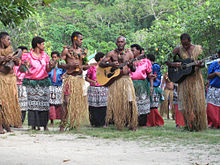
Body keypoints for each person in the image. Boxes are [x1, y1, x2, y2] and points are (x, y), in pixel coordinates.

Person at [167, 33, 207, 131]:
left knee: (197, 103)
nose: (184, 45)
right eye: (182, 43)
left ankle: (198, 125)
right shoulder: (178, 50)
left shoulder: (198, 49)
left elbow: (203, 64)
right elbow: (167, 61)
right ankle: (188, 125)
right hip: (184, 80)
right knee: (184, 104)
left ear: (189, 41)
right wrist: (173, 64)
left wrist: (199, 65)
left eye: (186, 43)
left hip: (196, 79)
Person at [99, 36, 138, 131]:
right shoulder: (111, 53)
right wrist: (110, 64)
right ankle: (119, 123)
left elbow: (133, 69)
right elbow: (101, 64)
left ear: (125, 43)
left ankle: (132, 123)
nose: (120, 43)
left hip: (126, 80)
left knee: (130, 101)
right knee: (118, 103)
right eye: (118, 42)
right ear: (116, 43)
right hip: (116, 81)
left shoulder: (130, 54)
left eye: (122, 42)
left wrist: (131, 65)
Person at [20, 36, 53, 131]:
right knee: (33, 104)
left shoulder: (45, 56)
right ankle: (34, 125)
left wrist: (51, 66)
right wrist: (25, 65)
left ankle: (44, 125)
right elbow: (22, 69)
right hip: (32, 82)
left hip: (43, 82)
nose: (44, 46)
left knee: (44, 103)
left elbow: (48, 69)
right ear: (38, 45)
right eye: (43, 44)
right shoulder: (27, 56)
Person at [59, 31, 89, 132]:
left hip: (79, 79)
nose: (82, 41)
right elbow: (59, 63)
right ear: (75, 39)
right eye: (80, 39)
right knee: (66, 102)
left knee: (77, 102)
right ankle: (62, 124)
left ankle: (74, 124)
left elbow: (86, 66)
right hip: (70, 79)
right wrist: (69, 66)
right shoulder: (66, 50)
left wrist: (81, 66)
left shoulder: (83, 51)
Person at [0, 32, 22, 134]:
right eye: (8, 39)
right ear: (2, 40)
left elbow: (17, 63)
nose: (9, 41)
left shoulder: (10, 49)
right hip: (1, 78)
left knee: (9, 102)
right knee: (1, 102)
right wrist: (4, 58)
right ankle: (0, 126)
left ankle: (7, 124)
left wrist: (16, 59)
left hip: (10, 78)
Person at [130, 44, 153, 127]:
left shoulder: (146, 61)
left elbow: (150, 74)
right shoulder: (129, 61)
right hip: (131, 83)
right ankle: (132, 121)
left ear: (139, 51)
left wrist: (151, 86)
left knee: (143, 102)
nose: (131, 52)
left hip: (142, 84)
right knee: (132, 102)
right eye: (131, 50)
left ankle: (142, 123)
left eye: (133, 50)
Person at [86, 52, 108, 127]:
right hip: (93, 89)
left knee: (103, 106)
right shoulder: (92, 67)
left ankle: (102, 123)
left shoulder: (105, 67)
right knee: (93, 106)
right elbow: (87, 78)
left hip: (103, 88)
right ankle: (94, 122)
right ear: (100, 58)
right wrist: (93, 81)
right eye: (104, 58)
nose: (105, 60)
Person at [48, 51, 65, 126]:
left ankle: (61, 120)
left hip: (59, 86)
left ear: (58, 58)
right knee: (51, 104)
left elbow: (65, 73)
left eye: (55, 57)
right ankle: (51, 121)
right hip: (51, 86)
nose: (54, 59)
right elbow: (47, 74)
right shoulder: (50, 67)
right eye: (53, 57)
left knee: (60, 103)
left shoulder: (61, 67)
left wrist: (63, 76)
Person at [147, 53, 164, 127]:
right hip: (151, 87)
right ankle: (152, 122)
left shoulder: (155, 66)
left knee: (153, 105)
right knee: (151, 105)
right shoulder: (151, 65)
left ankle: (155, 121)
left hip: (154, 87)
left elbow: (155, 77)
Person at [13, 46, 28, 124]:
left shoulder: (27, 63)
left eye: (26, 53)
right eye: (23, 53)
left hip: (23, 86)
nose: (24, 55)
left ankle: (21, 121)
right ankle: (13, 121)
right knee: (14, 103)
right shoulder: (13, 63)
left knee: (23, 104)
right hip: (14, 86)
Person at [206, 50, 220, 128]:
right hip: (213, 89)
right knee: (211, 107)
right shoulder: (214, 64)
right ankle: (212, 123)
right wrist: (215, 73)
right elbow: (208, 76)